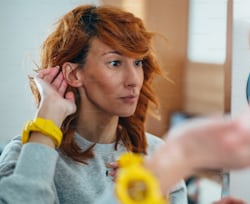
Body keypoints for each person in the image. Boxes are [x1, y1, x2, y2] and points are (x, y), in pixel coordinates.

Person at [0, 4, 187, 204]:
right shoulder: (26, 157)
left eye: (138, 63)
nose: (134, 80)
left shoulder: (158, 155)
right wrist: (46, 121)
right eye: (115, 63)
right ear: (73, 74)